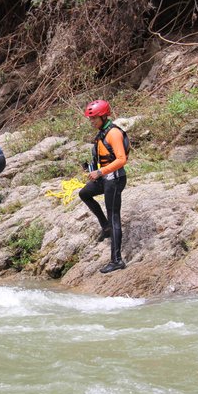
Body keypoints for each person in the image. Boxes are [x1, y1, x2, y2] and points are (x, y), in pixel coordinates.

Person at [78, 100, 129, 274]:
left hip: (114, 180)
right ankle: (105, 227)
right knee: (84, 193)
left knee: (114, 216)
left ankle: (117, 260)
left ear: (103, 116)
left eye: (94, 118)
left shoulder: (113, 133)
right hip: (105, 178)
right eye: (90, 119)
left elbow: (122, 159)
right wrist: (93, 169)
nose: (91, 122)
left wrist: (101, 172)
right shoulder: (102, 132)